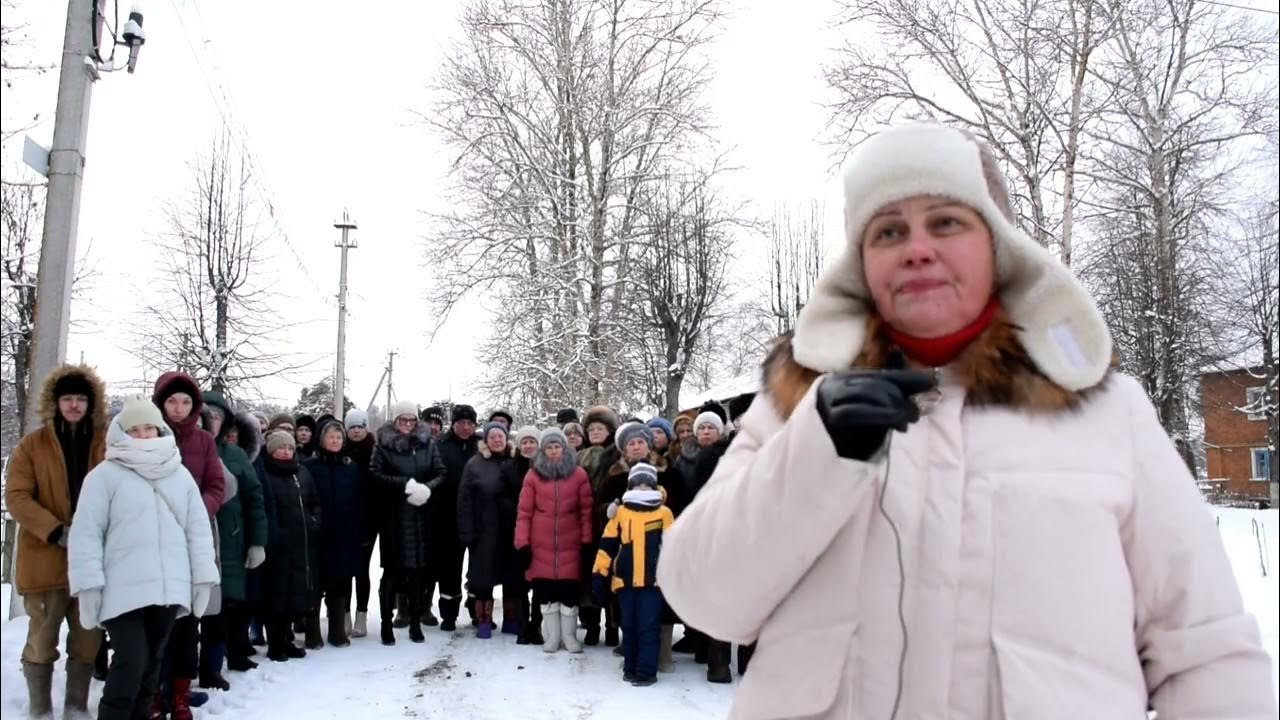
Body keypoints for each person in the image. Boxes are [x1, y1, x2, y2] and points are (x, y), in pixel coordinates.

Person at [657, 124, 1275, 719]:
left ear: (999, 245)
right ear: (862, 264)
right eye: (889, 231)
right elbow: (704, 597)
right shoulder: (797, 404)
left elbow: (1206, 655)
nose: (917, 248)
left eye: (946, 222)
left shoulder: (1110, 412)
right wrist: (817, 456)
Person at [67, 397, 219, 720]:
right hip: (121, 590)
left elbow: (198, 531)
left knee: (151, 667)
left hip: (167, 589)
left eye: (148, 427)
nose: (142, 434)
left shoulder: (179, 476)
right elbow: (86, 535)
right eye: (134, 429)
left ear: (159, 429)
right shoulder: (103, 477)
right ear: (120, 433)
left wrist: (203, 578)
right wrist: (89, 586)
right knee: (130, 662)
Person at [6, 365, 107, 718]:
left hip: (94, 561)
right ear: (56, 402)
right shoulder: (32, 445)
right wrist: (54, 530)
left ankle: (76, 708)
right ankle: (39, 708)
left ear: (91, 402)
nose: (75, 405)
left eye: (81, 398)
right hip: (45, 557)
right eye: (68, 398)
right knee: (42, 639)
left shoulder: (106, 442)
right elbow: (17, 496)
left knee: (88, 640)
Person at [152, 372, 224, 719]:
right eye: (171, 401)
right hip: (152, 541)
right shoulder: (148, 437)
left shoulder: (204, 441)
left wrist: (197, 512)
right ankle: (151, 693)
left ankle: (180, 693)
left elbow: (216, 486)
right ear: (160, 404)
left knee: (187, 623)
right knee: (153, 619)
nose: (178, 408)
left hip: (192, 541)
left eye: (184, 402)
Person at [199, 392, 268, 687]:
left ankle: (217, 665)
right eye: (208, 415)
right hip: (195, 539)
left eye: (218, 416)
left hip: (231, 538)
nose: (212, 421)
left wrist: (257, 541)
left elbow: (255, 500)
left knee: (229, 604)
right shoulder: (184, 449)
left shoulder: (235, 454)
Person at [591, 463, 674, 687]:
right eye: (638, 483)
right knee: (628, 625)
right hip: (625, 581)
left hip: (652, 582)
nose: (643, 487)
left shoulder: (664, 512)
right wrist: (600, 573)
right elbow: (607, 545)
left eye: (648, 484)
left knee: (648, 627)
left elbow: (673, 547)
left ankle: (646, 671)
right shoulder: (621, 512)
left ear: (655, 486)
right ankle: (630, 667)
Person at [371, 401, 445, 645]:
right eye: (403, 420)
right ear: (395, 421)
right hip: (394, 516)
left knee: (419, 573)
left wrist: (426, 489)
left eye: (411, 420)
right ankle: (386, 625)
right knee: (392, 573)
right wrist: (404, 485)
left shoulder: (427, 444)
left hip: (422, 516)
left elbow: (440, 472)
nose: (407, 424)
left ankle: (415, 621)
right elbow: (375, 474)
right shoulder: (383, 445)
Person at [514, 428, 593, 654]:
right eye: (549, 447)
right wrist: (522, 543)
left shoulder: (578, 474)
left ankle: (568, 636)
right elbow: (524, 513)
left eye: (557, 446)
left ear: (564, 448)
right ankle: (552, 636)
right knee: (545, 593)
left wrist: (587, 541)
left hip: (571, 543)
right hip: (541, 545)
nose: (554, 451)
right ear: (543, 450)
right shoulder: (533, 475)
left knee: (569, 594)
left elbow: (586, 511)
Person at [259, 430, 322, 660]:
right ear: (271, 450)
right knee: (276, 596)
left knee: (294, 596)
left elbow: (315, 501)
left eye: (289, 448)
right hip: (278, 546)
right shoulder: (265, 472)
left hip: (303, 545)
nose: (285, 452)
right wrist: (276, 533)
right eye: (280, 448)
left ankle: (287, 640)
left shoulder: (302, 471)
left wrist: (314, 521)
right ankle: (276, 644)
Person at [457, 422, 520, 639]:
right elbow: (464, 500)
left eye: (500, 436)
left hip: (511, 530)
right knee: (483, 577)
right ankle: (484, 620)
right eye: (492, 436)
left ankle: (512, 619)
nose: (496, 439)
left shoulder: (515, 461)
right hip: (484, 530)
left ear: (506, 438)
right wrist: (467, 531)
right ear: (486, 440)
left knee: (512, 575)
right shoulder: (475, 464)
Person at [304, 418, 363, 647]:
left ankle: (337, 631)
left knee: (339, 583)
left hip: (343, 533)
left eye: (339, 437)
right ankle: (312, 632)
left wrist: (359, 530)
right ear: (322, 439)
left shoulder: (350, 467)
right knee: (315, 584)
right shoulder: (310, 466)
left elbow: (359, 500)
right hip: (317, 533)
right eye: (331, 436)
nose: (335, 440)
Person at [429, 404, 481, 632]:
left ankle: (477, 611)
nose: (466, 427)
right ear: (454, 424)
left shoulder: (482, 446)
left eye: (470, 423)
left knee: (478, 568)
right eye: (461, 423)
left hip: (478, 518)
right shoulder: (440, 446)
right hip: (447, 517)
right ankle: (448, 615)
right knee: (450, 569)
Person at [342, 408, 377, 639]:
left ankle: (361, 616)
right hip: (344, 519)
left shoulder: (375, 452)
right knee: (344, 569)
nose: (356, 431)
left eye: (360, 426)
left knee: (362, 570)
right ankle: (343, 615)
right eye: (352, 427)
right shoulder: (339, 450)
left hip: (368, 519)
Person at [509, 425, 543, 645]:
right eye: (524, 442)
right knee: (518, 581)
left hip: (541, 531)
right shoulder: (510, 467)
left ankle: (536, 625)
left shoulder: (546, 468)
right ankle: (522, 625)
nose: (528, 445)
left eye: (532, 441)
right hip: (514, 530)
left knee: (540, 581)